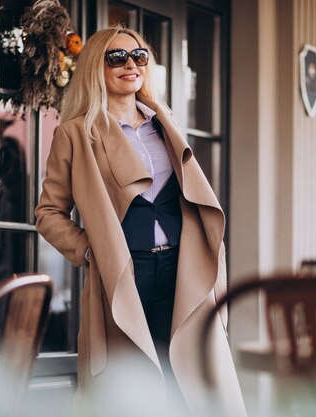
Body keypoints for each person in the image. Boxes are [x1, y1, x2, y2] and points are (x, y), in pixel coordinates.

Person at [35, 26, 246, 417]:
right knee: (133, 387)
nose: (131, 65)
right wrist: (88, 250)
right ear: (97, 67)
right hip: (125, 275)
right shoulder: (75, 134)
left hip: (182, 268)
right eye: (117, 58)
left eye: (139, 56)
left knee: (191, 381)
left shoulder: (165, 122)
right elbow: (48, 213)